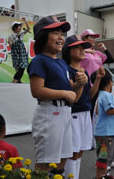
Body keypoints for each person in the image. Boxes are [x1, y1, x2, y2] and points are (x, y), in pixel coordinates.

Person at [28, 15, 85, 174]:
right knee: (45, 162)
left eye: (62, 34)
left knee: (62, 159)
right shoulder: (39, 60)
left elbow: (72, 93)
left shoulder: (60, 63)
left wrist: (80, 83)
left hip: (64, 112)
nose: (61, 37)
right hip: (49, 113)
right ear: (42, 36)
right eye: (56, 33)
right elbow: (37, 91)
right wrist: (66, 93)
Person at [62, 35, 105, 179]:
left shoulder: (84, 71)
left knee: (80, 151)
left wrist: (98, 78)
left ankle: (74, 176)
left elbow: (90, 95)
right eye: (77, 48)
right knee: (72, 152)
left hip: (86, 112)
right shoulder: (66, 70)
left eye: (83, 49)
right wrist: (80, 83)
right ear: (68, 51)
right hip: (74, 113)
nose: (82, 51)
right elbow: (73, 99)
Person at [8, 17, 30, 83]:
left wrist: (25, 21)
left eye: (20, 26)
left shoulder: (21, 35)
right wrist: (15, 54)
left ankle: (16, 81)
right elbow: (11, 45)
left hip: (22, 53)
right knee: (19, 68)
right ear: (14, 28)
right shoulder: (11, 36)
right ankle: (16, 81)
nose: (20, 28)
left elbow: (28, 29)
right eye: (18, 26)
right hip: (16, 53)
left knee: (22, 67)